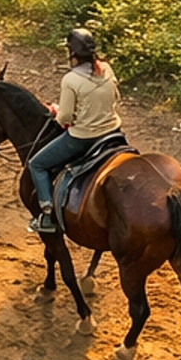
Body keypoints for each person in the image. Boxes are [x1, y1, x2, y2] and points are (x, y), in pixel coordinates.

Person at [27, 29, 124, 235]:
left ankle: (46, 213)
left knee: (36, 164)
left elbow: (65, 118)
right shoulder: (106, 68)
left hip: (83, 139)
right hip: (114, 132)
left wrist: (56, 111)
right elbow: (116, 97)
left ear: (72, 54)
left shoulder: (71, 80)